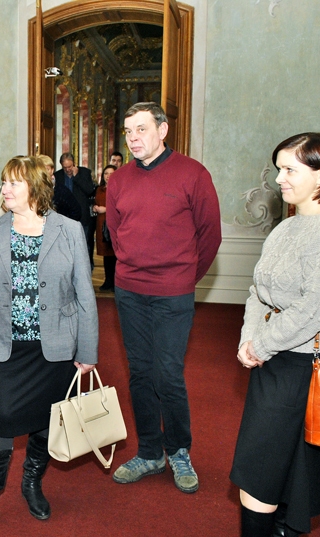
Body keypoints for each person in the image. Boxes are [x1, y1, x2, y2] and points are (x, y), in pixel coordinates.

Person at [232, 133, 320, 537]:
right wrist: (247, 339)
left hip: (310, 364)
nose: (279, 179)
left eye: (290, 169)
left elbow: (315, 309)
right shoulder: (285, 228)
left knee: (295, 476)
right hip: (275, 360)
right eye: (279, 169)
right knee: (261, 472)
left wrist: (262, 344)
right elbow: (258, 290)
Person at [0, 156, 98, 537]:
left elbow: (85, 295)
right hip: (6, 346)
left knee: (44, 419)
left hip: (54, 347)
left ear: (36, 189)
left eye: (13, 183)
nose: (5, 189)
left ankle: (32, 483)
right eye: (5, 182)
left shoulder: (69, 230)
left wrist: (87, 351)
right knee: (3, 416)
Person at [105, 101, 221, 494]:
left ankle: (179, 449)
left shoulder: (193, 174)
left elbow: (210, 236)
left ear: (163, 130)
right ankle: (150, 452)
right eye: (128, 131)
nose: (133, 138)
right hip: (129, 291)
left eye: (141, 129)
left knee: (167, 373)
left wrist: (183, 276)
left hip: (173, 292)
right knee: (139, 372)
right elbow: (115, 233)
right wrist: (133, 267)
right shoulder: (119, 180)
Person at [53, 152, 96, 268]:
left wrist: (77, 177)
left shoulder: (84, 172)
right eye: (65, 167)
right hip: (64, 217)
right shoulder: (57, 176)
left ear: (74, 164)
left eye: (70, 167)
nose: (68, 170)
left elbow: (89, 190)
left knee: (85, 244)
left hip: (82, 216)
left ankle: (86, 268)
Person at [92, 164, 117, 292]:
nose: (108, 176)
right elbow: (95, 201)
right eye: (106, 173)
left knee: (114, 254)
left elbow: (121, 206)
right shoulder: (99, 189)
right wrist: (95, 207)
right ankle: (107, 281)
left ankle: (115, 282)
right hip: (101, 223)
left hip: (113, 223)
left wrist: (105, 209)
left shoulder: (119, 188)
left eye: (111, 173)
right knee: (106, 255)